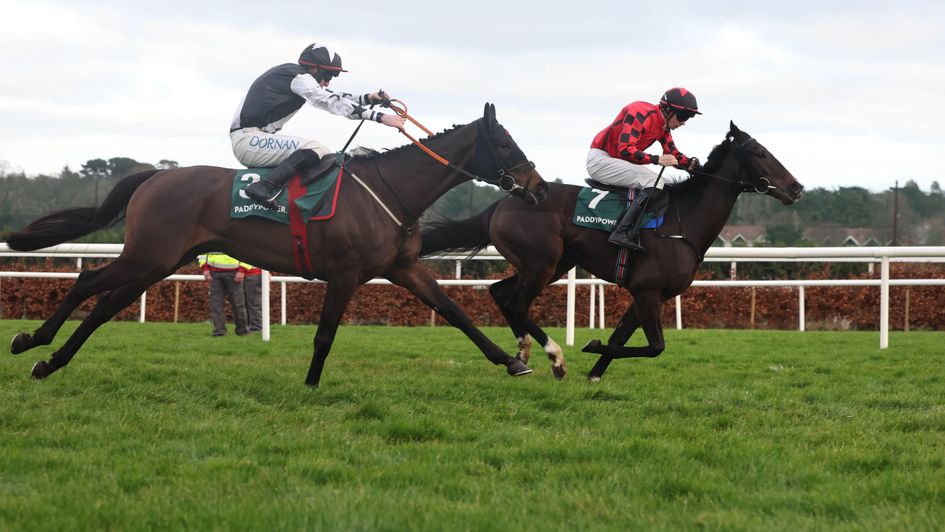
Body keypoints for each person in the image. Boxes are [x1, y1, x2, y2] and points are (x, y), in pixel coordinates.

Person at [232, 42, 405, 209]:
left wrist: (367, 98)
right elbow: (328, 101)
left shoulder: (295, 76)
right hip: (248, 140)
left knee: (323, 153)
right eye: (329, 75)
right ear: (314, 68)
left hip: (255, 138)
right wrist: (379, 117)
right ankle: (263, 186)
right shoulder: (298, 77)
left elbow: (331, 95)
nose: (329, 81)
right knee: (317, 149)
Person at [587, 87, 702, 251]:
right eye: (683, 116)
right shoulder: (639, 111)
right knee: (654, 181)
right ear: (668, 110)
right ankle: (622, 231)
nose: (683, 122)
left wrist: (691, 165)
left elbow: (673, 154)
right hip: (601, 159)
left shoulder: (663, 127)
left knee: (667, 184)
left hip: (618, 162)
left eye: (688, 117)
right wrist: (656, 160)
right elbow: (625, 149)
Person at [198, 253, 249, 337]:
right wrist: (205, 268)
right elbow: (203, 252)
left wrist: (242, 270)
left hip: (234, 272)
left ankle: (242, 331)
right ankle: (219, 331)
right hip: (214, 273)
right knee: (216, 305)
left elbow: (247, 252)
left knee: (238, 304)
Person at [240, 262, 263, 333]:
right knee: (248, 303)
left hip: (253, 273)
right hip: (247, 273)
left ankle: (256, 328)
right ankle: (251, 327)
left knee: (254, 303)